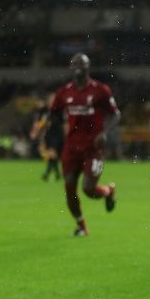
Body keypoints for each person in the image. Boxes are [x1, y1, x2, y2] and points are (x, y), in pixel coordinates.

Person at [50, 53, 121, 236]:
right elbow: (53, 115)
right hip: (71, 148)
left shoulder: (100, 90)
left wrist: (104, 132)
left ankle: (108, 191)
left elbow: (115, 114)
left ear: (88, 67)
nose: (78, 67)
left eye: (81, 64)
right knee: (70, 190)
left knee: (88, 189)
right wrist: (49, 133)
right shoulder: (64, 92)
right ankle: (82, 227)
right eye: (74, 64)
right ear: (70, 68)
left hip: (93, 148)